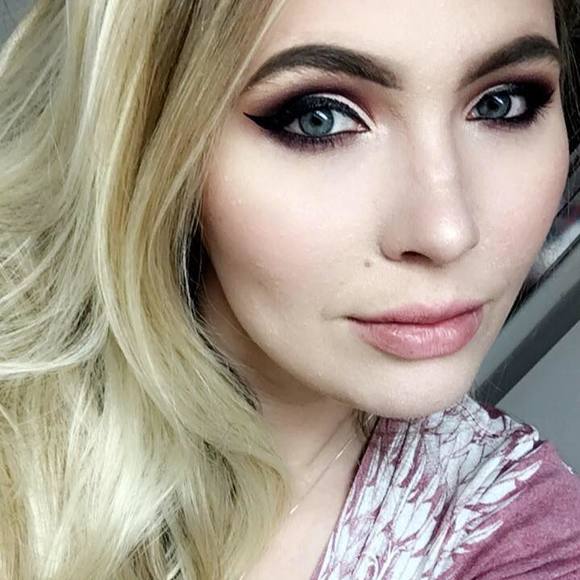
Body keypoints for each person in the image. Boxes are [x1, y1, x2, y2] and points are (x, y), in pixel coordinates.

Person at [0, 0, 579, 579]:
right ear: (152, 139)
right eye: (318, 118)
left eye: (503, 103)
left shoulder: (521, 534)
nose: (447, 232)